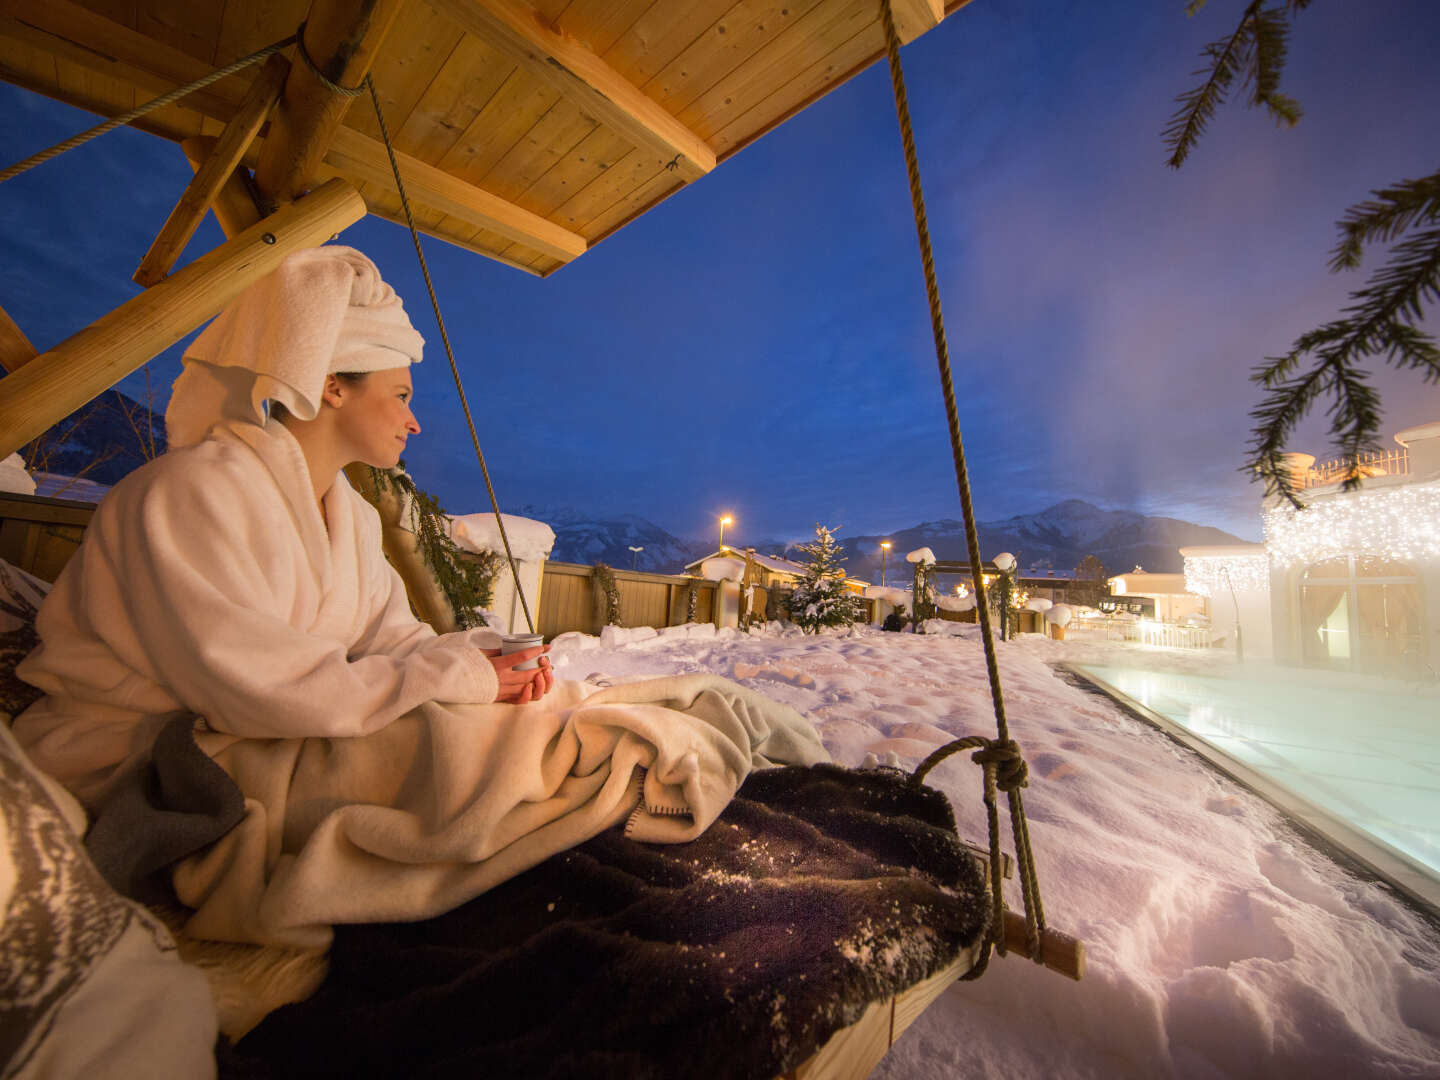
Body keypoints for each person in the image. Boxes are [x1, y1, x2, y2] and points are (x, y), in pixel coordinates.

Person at [15, 246, 827, 948]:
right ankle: (629, 770)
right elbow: (258, 689)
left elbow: (397, 646)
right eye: (400, 394)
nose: (414, 422)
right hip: (145, 762)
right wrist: (461, 686)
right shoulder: (189, 495)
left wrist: (492, 662)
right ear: (332, 385)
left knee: (519, 714)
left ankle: (683, 723)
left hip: (263, 732)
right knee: (466, 746)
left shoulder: (350, 520)